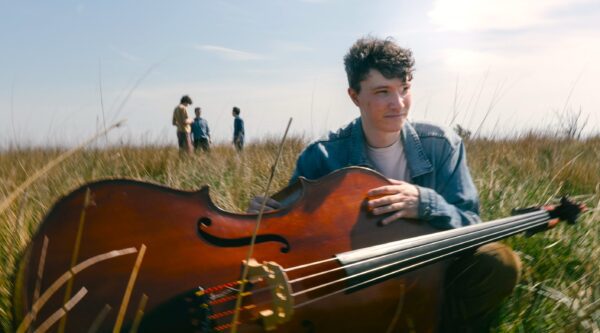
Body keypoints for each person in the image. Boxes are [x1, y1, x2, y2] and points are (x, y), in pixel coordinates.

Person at [249, 36, 521, 332]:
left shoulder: (443, 145)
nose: (398, 103)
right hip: (357, 289)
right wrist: (264, 222)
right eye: (382, 92)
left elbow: (470, 224)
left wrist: (425, 203)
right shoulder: (322, 156)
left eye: (404, 89)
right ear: (354, 96)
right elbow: (292, 243)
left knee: (499, 262)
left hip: (428, 280)